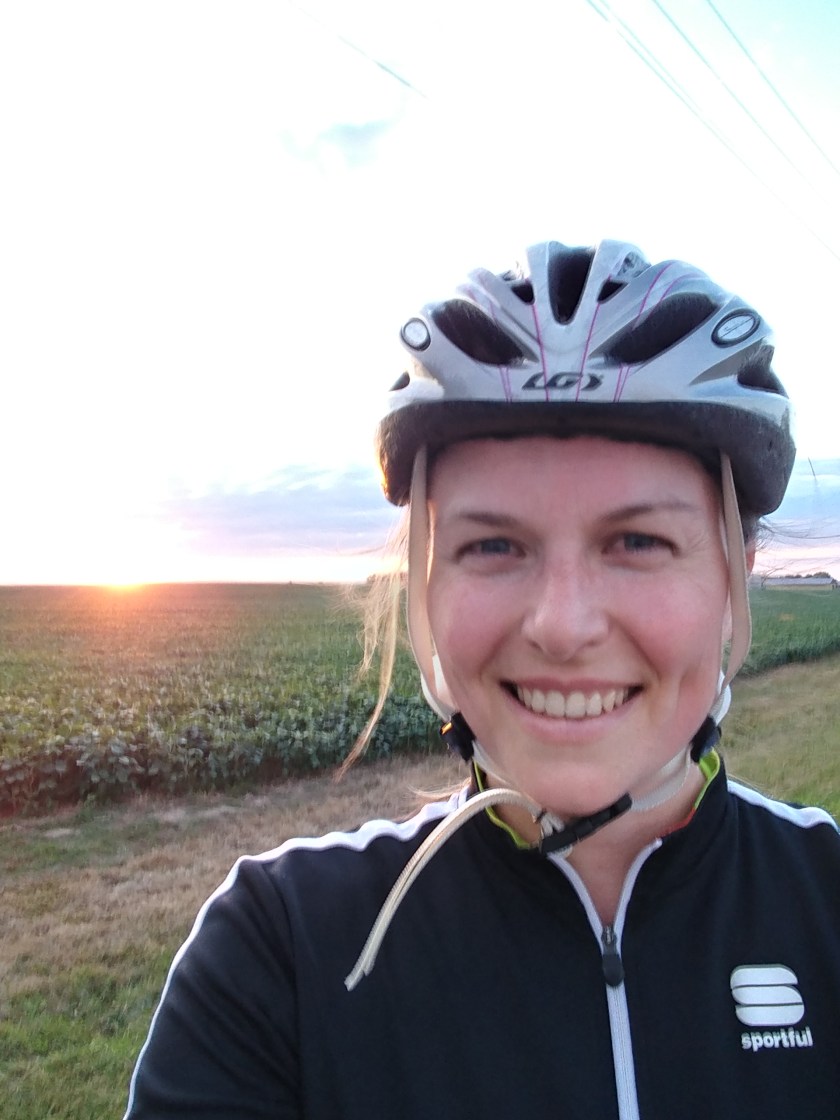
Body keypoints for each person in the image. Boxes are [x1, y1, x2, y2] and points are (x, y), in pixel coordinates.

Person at [123, 238, 840, 1119]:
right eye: (494, 545)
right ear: (425, 583)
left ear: (736, 575)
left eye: (638, 542)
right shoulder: (280, 951)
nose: (562, 626)